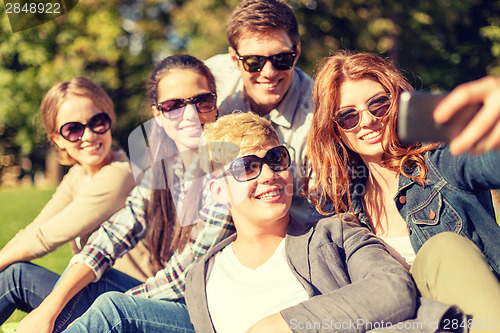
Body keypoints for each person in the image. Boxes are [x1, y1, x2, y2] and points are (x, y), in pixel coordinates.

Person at [62, 112, 462, 333]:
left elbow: (394, 291)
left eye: (276, 160)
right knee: (108, 308)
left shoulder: (333, 232)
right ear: (217, 191)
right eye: (247, 167)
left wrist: (281, 325)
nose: (269, 175)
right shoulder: (203, 274)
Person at [3, 54, 234, 333]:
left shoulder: (227, 168)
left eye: (201, 101)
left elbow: (183, 277)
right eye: (173, 105)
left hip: (204, 311)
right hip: (157, 295)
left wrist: (88, 309)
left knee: (110, 307)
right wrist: (49, 308)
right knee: (33, 280)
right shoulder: (165, 169)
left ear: (215, 103)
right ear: (158, 115)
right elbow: (108, 238)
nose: (190, 114)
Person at [306, 50, 500, 332]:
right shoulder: (336, 204)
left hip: (475, 319)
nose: (368, 120)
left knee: (445, 248)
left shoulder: (442, 163)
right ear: (334, 129)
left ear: (397, 102)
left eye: (379, 104)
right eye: (348, 116)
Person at [0, 77, 135, 317]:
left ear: (109, 120)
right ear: (57, 139)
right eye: (73, 129)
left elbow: (45, 239)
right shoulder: (78, 175)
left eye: (97, 122)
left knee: (16, 278)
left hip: (131, 301)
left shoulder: (120, 175)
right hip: (100, 293)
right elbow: (35, 230)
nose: (89, 135)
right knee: (12, 272)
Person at [205, 0, 315, 219]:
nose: (268, 72)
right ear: (234, 59)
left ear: (297, 51)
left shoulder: (318, 115)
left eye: (281, 59)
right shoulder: (208, 81)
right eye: (254, 61)